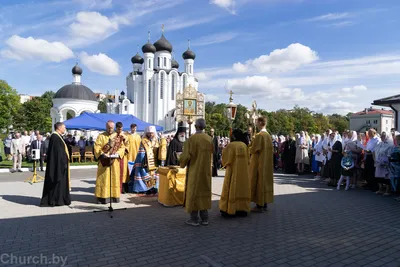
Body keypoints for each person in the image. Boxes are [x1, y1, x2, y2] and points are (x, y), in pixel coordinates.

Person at [180, 118, 213, 226]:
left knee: (194, 193)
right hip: (206, 171)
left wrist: (181, 162)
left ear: (196, 126)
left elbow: (185, 156)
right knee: (204, 192)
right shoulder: (209, 139)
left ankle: (194, 219)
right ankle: (205, 218)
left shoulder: (191, 140)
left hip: (195, 170)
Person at [219, 129, 251, 218]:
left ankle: (230, 209)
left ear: (234, 136)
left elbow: (225, 159)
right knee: (242, 189)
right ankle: (242, 209)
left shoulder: (231, 146)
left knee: (230, 188)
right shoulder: (244, 146)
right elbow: (249, 160)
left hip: (233, 172)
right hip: (243, 173)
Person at [94, 120, 126, 204]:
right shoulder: (101, 136)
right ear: (106, 127)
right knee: (103, 179)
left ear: (114, 127)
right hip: (104, 161)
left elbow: (122, 147)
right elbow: (97, 147)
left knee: (114, 178)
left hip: (114, 161)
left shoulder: (118, 136)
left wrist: (118, 154)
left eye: (111, 128)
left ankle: (114, 197)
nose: (110, 129)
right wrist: (102, 154)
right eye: (108, 128)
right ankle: (102, 198)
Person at [40, 122, 71, 206]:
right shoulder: (55, 137)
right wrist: (62, 163)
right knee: (57, 182)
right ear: (59, 128)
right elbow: (57, 153)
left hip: (61, 164)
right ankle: (56, 200)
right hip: (58, 165)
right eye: (64, 127)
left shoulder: (58, 136)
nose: (65, 129)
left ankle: (61, 199)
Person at [129, 125, 166, 195]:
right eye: (149, 133)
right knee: (145, 175)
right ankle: (145, 188)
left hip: (154, 161)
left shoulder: (156, 140)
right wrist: (143, 161)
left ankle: (154, 187)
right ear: (146, 133)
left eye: (152, 133)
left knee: (154, 175)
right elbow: (141, 153)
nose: (151, 134)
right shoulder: (143, 141)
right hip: (145, 162)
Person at [249, 116, 274, 213]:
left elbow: (254, 149)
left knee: (258, 181)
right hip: (267, 163)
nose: (255, 123)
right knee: (265, 182)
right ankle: (264, 204)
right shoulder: (268, 135)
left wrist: (249, 147)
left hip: (259, 163)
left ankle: (259, 205)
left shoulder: (260, 135)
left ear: (260, 123)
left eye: (256, 122)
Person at [374, 131, 393, 196]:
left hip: (385, 162)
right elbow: (376, 151)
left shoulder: (390, 145)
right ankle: (380, 189)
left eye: (383, 136)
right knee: (379, 177)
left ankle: (387, 190)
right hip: (378, 161)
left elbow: (389, 154)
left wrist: (385, 161)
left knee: (386, 177)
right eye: (381, 136)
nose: (382, 137)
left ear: (387, 136)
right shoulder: (380, 143)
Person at [124, 123, 141, 193]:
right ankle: (128, 185)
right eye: (132, 128)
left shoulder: (138, 136)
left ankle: (135, 185)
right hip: (129, 156)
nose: (134, 129)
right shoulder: (127, 136)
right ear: (130, 128)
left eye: (135, 128)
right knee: (129, 171)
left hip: (136, 156)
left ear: (136, 128)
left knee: (135, 171)